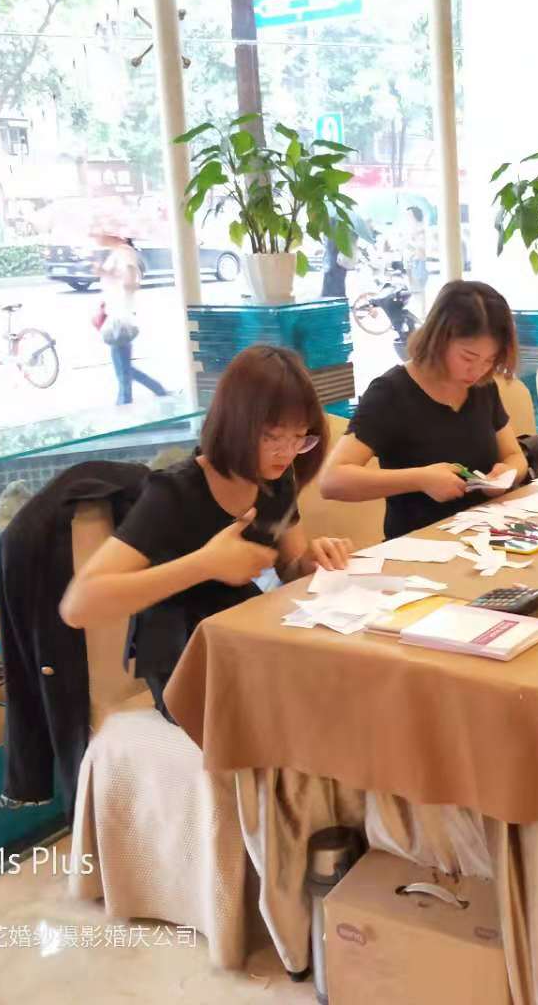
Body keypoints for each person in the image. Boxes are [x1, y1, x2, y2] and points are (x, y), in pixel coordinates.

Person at [60, 345, 353, 714]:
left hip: (243, 627)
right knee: (306, 704)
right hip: (182, 655)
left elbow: (289, 568)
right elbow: (79, 605)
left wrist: (309, 562)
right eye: (272, 437)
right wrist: (205, 564)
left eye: (300, 438)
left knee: (344, 678)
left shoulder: (278, 476)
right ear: (235, 425)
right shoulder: (173, 493)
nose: (287, 452)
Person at [320, 279, 529, 539]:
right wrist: (420, 479)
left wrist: (507, 474)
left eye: (489, 360)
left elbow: (515, 456)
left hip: (486, 535)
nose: (477, 371)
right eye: (468, 357)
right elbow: (332, 480)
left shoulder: (482, 388)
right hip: (419, 545)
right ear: (438, 339)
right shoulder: (391, 393)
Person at [92, 226, 167, 406]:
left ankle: (126, 402)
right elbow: (122, 277)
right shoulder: (118, 252)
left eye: (101, 232)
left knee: (122, 368)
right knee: (122, 366)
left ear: (115, 234)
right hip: (116, 313)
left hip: (121, 315)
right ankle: (156, 390)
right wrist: (104, 273)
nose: (97, 236)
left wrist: (118, 278)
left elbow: (130, 278)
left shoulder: (125, 252)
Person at [404, 205, 430, 313]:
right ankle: (421, 310)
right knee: (414, 287)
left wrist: (412, 244)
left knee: (420, 287)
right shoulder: (411, 228)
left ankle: (422, 311)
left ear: (415, 215)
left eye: (409, 214)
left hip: (419, 260)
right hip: (412, 260)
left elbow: (422, 246)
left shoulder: (421, 228)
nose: (407, 217)